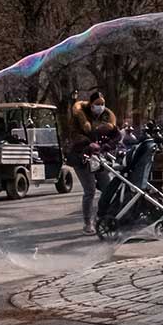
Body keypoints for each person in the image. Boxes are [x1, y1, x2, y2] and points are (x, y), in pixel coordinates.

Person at [67, 91, 117, 235]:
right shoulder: (79, 117)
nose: (100, 107)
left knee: (108, 188)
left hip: (98, 157)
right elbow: (73, 135)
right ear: (91, 104)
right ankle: (87, 223)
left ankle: (103, 218)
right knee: (90, 191)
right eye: (97, 104)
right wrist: (88, 144)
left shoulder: (106, 117)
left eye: (102, 104)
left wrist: (111, 142)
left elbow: (113, 136)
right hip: (81, 157)